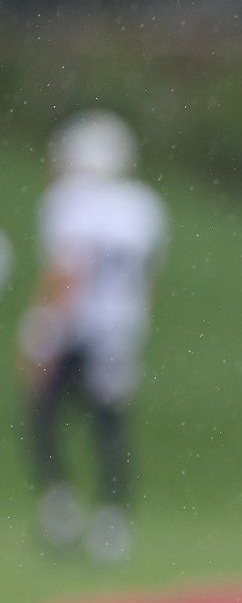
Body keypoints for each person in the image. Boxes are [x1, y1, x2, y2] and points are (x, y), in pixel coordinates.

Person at [18, 110, 167, 562]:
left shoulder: (69, 200)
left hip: (74, 329)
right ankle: (111, 522)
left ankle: (61, 507)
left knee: (42, 414)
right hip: (118, 331)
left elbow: (69, 269)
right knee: (110, 426)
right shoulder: (143, 205)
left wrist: (39, 330)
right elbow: (145, 278)